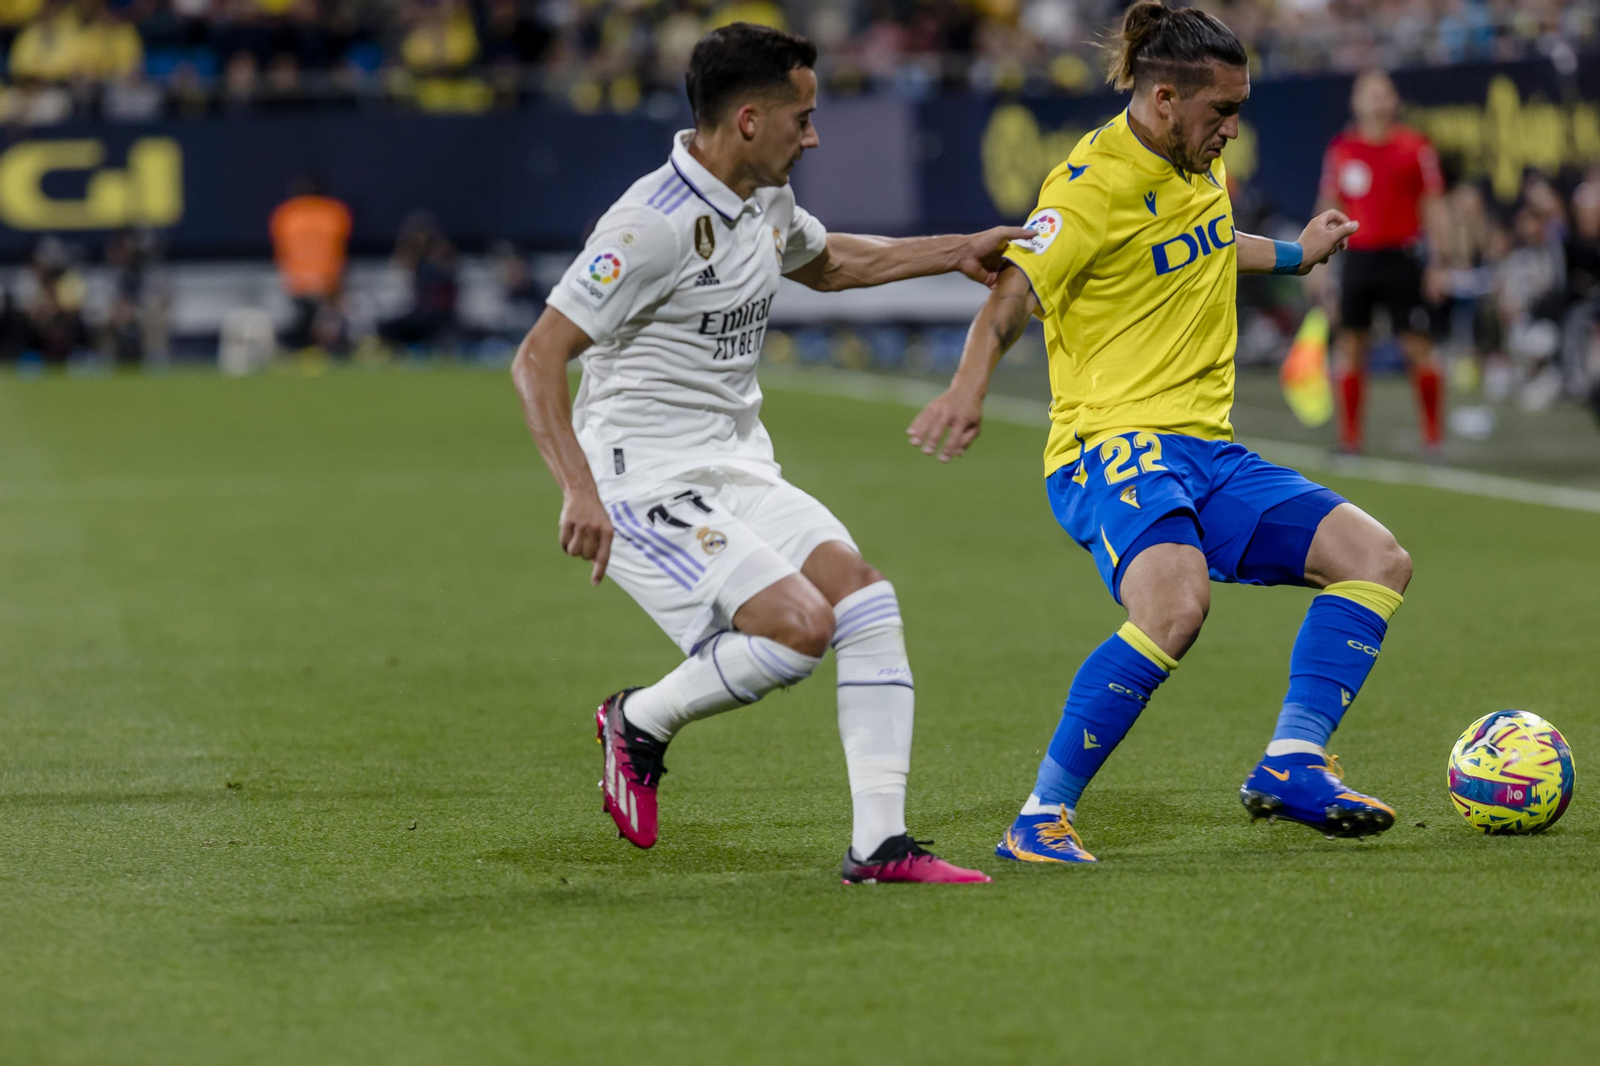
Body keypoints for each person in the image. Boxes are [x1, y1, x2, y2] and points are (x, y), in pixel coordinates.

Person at [512, 22, 1030, 884]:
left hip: (738, 465)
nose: (814, 136)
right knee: (799, 629)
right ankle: (639, 720)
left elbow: (830, 264)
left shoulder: (763, 199)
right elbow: (538, 357)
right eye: (804, 117)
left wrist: (955, 250)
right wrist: (577, 489)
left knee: (865, 600)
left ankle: (880, 846)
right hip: (641, 479)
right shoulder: (650, 224)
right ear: (749, 120)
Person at [907, 1, 1412, 864]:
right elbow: (1014, 290)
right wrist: (967, 387)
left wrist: (1295, 254)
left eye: (1240, 111)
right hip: (1110, 444)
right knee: (1175, 606)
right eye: (1223, 111)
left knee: (1376, 559)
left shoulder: (1195, 161)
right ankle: (1040, 817)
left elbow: (1205, 241)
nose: (1233, 130)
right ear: (1165, 98)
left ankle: (1293, 761)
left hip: (1208, 450)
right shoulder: (1089, 184)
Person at [1318, 68, 1448, 457]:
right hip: (1357, 257)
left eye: (1382, 92)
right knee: (1351, 345)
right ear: (1355, 101)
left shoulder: (1415, 146)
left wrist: (1439, 262)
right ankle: (1350, 440)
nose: (1376, 100)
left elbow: (1434, 206)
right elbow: (1329, 205)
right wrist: (1320, 266)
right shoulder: (1342, 149)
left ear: (1394, 100)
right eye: (1368, 93)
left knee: (1417, 345)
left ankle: (1432, 439)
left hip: (1402, 257)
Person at [268, 176, 352, 351]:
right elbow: (342, 248)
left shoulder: (286, 212)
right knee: (321, 322)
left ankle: (305, 346)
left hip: (297, 280)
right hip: (327, 279)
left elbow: (280, 251)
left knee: (308, 322)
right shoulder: (334, 211)